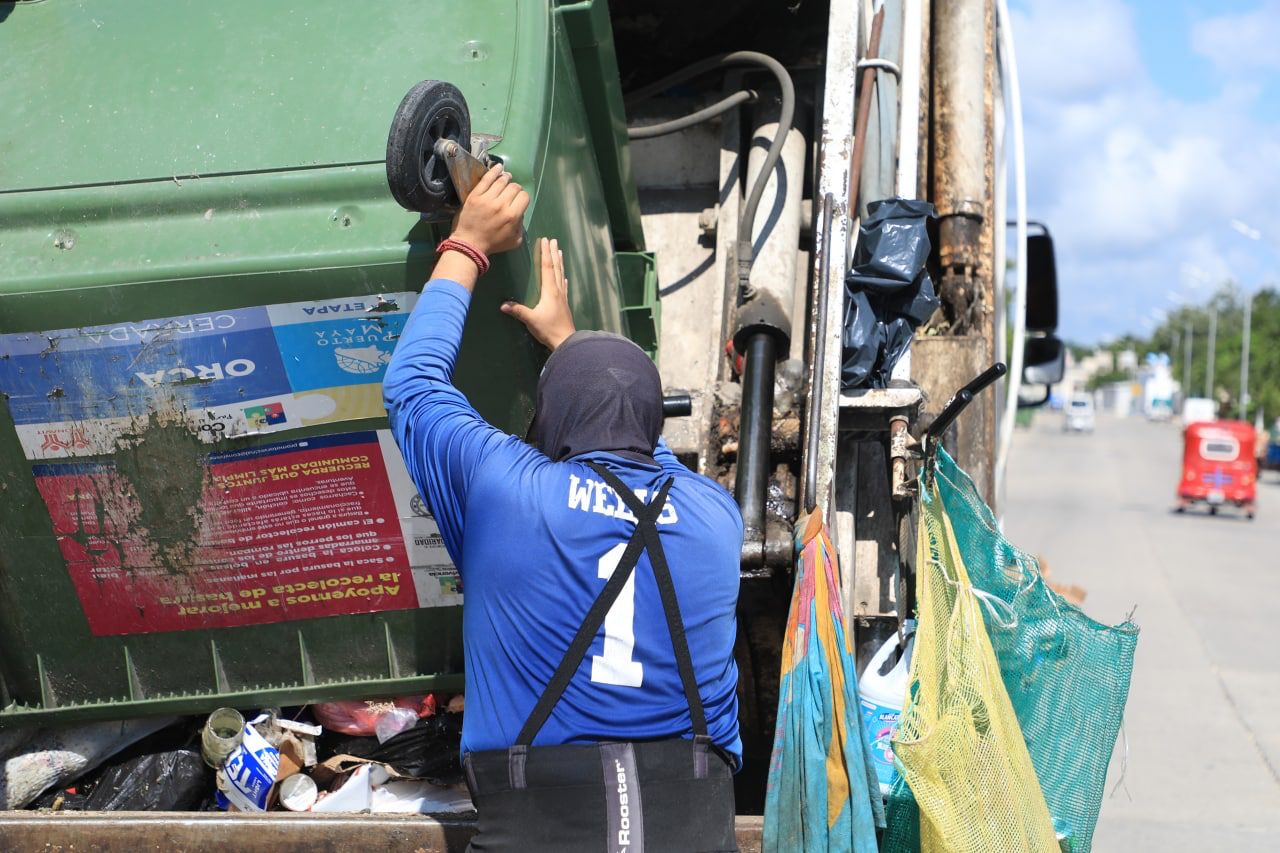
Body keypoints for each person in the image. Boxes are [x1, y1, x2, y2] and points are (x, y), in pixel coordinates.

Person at [383, 164, 743, 852]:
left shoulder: (508, 491)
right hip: (689, 816)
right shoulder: (715, 517)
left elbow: (413, 385)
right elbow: (640, 458)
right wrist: (576, 350)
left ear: (552, 425)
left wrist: (468, 243)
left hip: (538, 818)